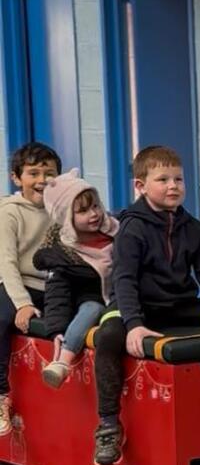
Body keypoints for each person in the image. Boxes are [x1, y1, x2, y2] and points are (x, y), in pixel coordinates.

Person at [91, 145, 200, 465]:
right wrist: (134, 324)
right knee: (108, 336)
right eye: (162, 179)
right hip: (135, 307)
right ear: (140, 186)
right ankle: (108, 424)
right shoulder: (132, 229)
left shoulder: (191, 228)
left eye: (178, 179)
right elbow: (124, 280)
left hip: (179, 306)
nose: (173, 186)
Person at [34, 170, 119, 388]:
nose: (94, 214)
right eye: (83, 211)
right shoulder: (62, 254)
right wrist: (56, 330)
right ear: (67, 218)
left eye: (96, 206)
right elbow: (57, 293)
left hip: (123, 297)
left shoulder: (117, 231)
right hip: (93, 299)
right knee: (91, 309)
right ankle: (63, 361)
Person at [0, 143, 61, 434]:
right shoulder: (9, 212)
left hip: (49, 286)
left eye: (48, 173)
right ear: (16, 178)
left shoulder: (62, 208)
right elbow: (7, 264)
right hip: (14, 283)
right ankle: (0, 394)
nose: (41, 180)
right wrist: (22, 303)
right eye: (32, 173)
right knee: (0, 318)